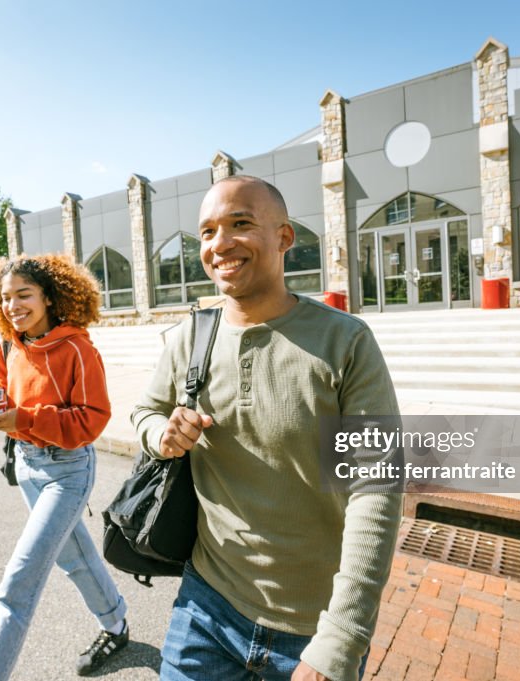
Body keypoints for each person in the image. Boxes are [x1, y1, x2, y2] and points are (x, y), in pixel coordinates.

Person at [132, 176, 402, 681]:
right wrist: (161, 435)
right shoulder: (191, 335)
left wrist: (342, 637)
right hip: (206, 607)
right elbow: (144, 412)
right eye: (207, 232)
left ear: (284, 237)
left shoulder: (345, 342)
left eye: (240, 224)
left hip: (312, 627)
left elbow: (377, 489)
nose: (220, 244)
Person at [0, 254, 129, 680]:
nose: (13, 305)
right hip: (26, 465)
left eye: (24, 294)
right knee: (72, 556)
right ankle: (116, 623)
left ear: (49, 297)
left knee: (17, 585)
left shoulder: (78, 348)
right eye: (5, 297)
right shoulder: (9, 343)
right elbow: (6, 394)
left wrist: (24, 419)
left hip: (67, 471)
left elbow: (91, 421)